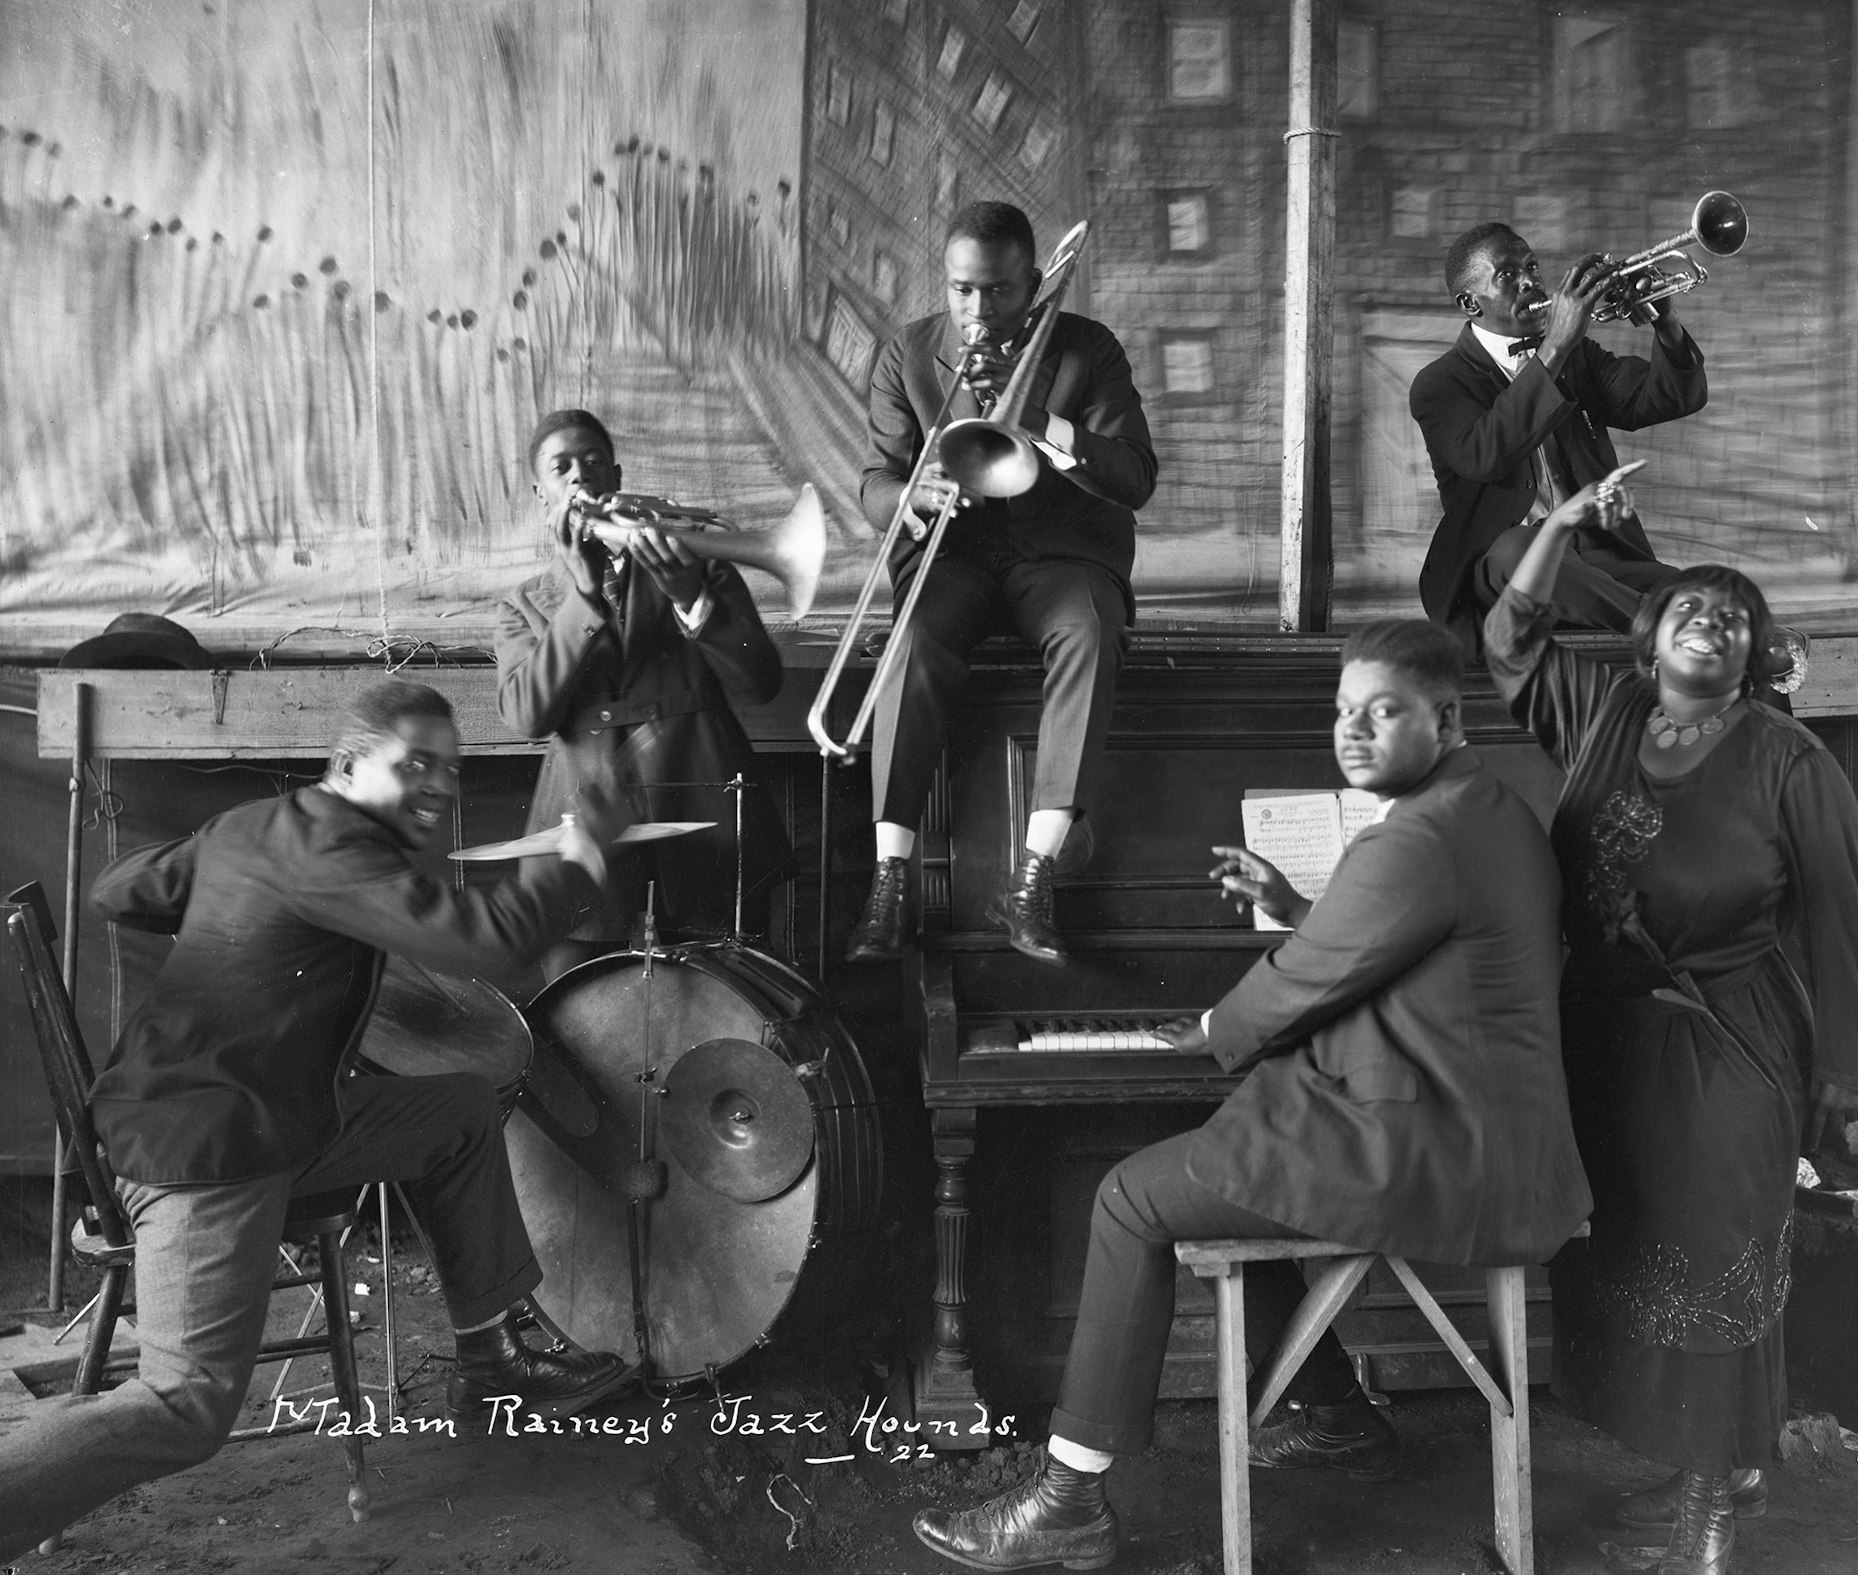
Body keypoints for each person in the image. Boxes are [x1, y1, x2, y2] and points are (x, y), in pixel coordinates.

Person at [909, 620, 1591, 1572]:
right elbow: (1386, 943)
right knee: (1229, 1163)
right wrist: (1294, 913)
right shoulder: (1483, 806)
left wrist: (1202, 1030)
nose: (1351, 732)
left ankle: (1068, 1500)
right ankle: (1337, 1419)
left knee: (1132, 1194)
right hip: (1473, 1132)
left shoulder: (1420, 836)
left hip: (1434, 1146)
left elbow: (1306, 980)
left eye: (1381, 711)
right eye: (1343, 710)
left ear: (1446, 717)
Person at [0, 681, 635, 1562]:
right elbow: (489, 942)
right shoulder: (334, 847)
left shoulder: (262, 825)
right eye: (413, 763)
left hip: (278, 1119)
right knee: (184, 1403)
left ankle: (493, 1356)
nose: (437, 785)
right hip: (207, 1146)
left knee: (452, 1109)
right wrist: (583, 854)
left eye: (448, 769)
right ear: (346, 764)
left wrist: (234, 886)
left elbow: (117, 890)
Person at [1484, 487, 1858, 1575]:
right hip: (1605, 1045)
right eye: (1688, 608)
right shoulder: (1602, 710)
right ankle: (1706, 1466)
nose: (1709, 621)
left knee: (1718, 1267)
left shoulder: (1789, 760)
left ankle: (1706, 1521)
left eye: (1732, 616)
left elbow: (1843, 920)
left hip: (1728, 1044)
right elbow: (1508, 637)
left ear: (1751, 653)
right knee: (1638, 1260)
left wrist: (1848, 1078)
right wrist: (1557, 529)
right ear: (1648, 634)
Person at [844, 200, 1157, 967]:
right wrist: (912, 496)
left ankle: (1034, 875)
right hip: (954, 551)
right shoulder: (909, 353)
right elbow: (875, 481)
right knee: (911, 636)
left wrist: (1045, 421)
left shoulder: (1088, 349)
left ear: (1034, 282)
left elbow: (1133, 477)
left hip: (1061, 553)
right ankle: (890, 877)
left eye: (997, 291)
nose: (976, 309)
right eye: (961, 290)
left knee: (1088, 630)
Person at [497, 408, 791, 980]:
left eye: (593, 462)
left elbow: (760, 684)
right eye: (563, 468)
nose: (581, 476)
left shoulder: (696, 563)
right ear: (542, 494)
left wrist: (691, 599)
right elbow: (528, 715)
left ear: (617, 475)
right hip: (583, 814)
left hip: (704, 798)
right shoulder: (523, 604)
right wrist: (583, 595)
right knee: (570, 999)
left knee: (734, 994)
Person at [1410, 221, 1707, 652]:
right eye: (1508, 274)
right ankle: (1663, 629)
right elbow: (1487, 456)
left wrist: (1667, 324)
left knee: (1704, 598)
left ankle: (1761, 685)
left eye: (1531, 266)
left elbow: (1666, 399)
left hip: (1594, 561)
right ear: (1470, 303)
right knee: (1524, 547)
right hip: (1495, 575)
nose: (1530, 280)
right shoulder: (1438, 384)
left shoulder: (1578, 358)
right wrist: (1554, 348)